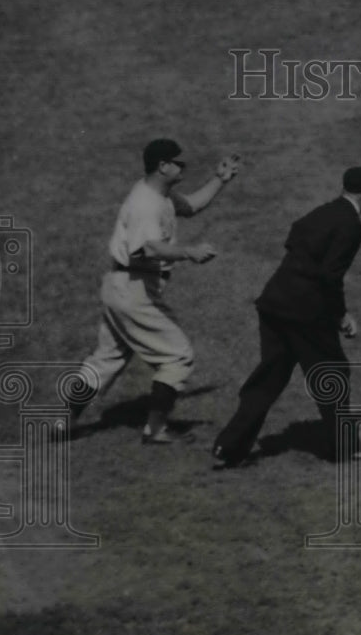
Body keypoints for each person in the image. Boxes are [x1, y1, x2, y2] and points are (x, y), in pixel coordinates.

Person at [68, 139, 241, 443]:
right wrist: (189, 251)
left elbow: (191, 206)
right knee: (178, 356)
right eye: (179, 162)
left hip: (120, 286)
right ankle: (156, 429)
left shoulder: (157, 193)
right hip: (134, 291)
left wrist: (219, 179)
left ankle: (60, 420)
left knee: (106, 359)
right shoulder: (145, 205)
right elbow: (147, 248)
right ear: (163, 166)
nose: (184, 166)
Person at [212, 166, 361, 466]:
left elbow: (293, 238)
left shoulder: (321, 211)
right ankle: (345, 447)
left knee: (268, 378)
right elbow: (331, 276)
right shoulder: (352, 225)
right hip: (306, 314)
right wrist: (341, 316)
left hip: (274, 302)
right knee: (333, 376)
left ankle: (229, 446)